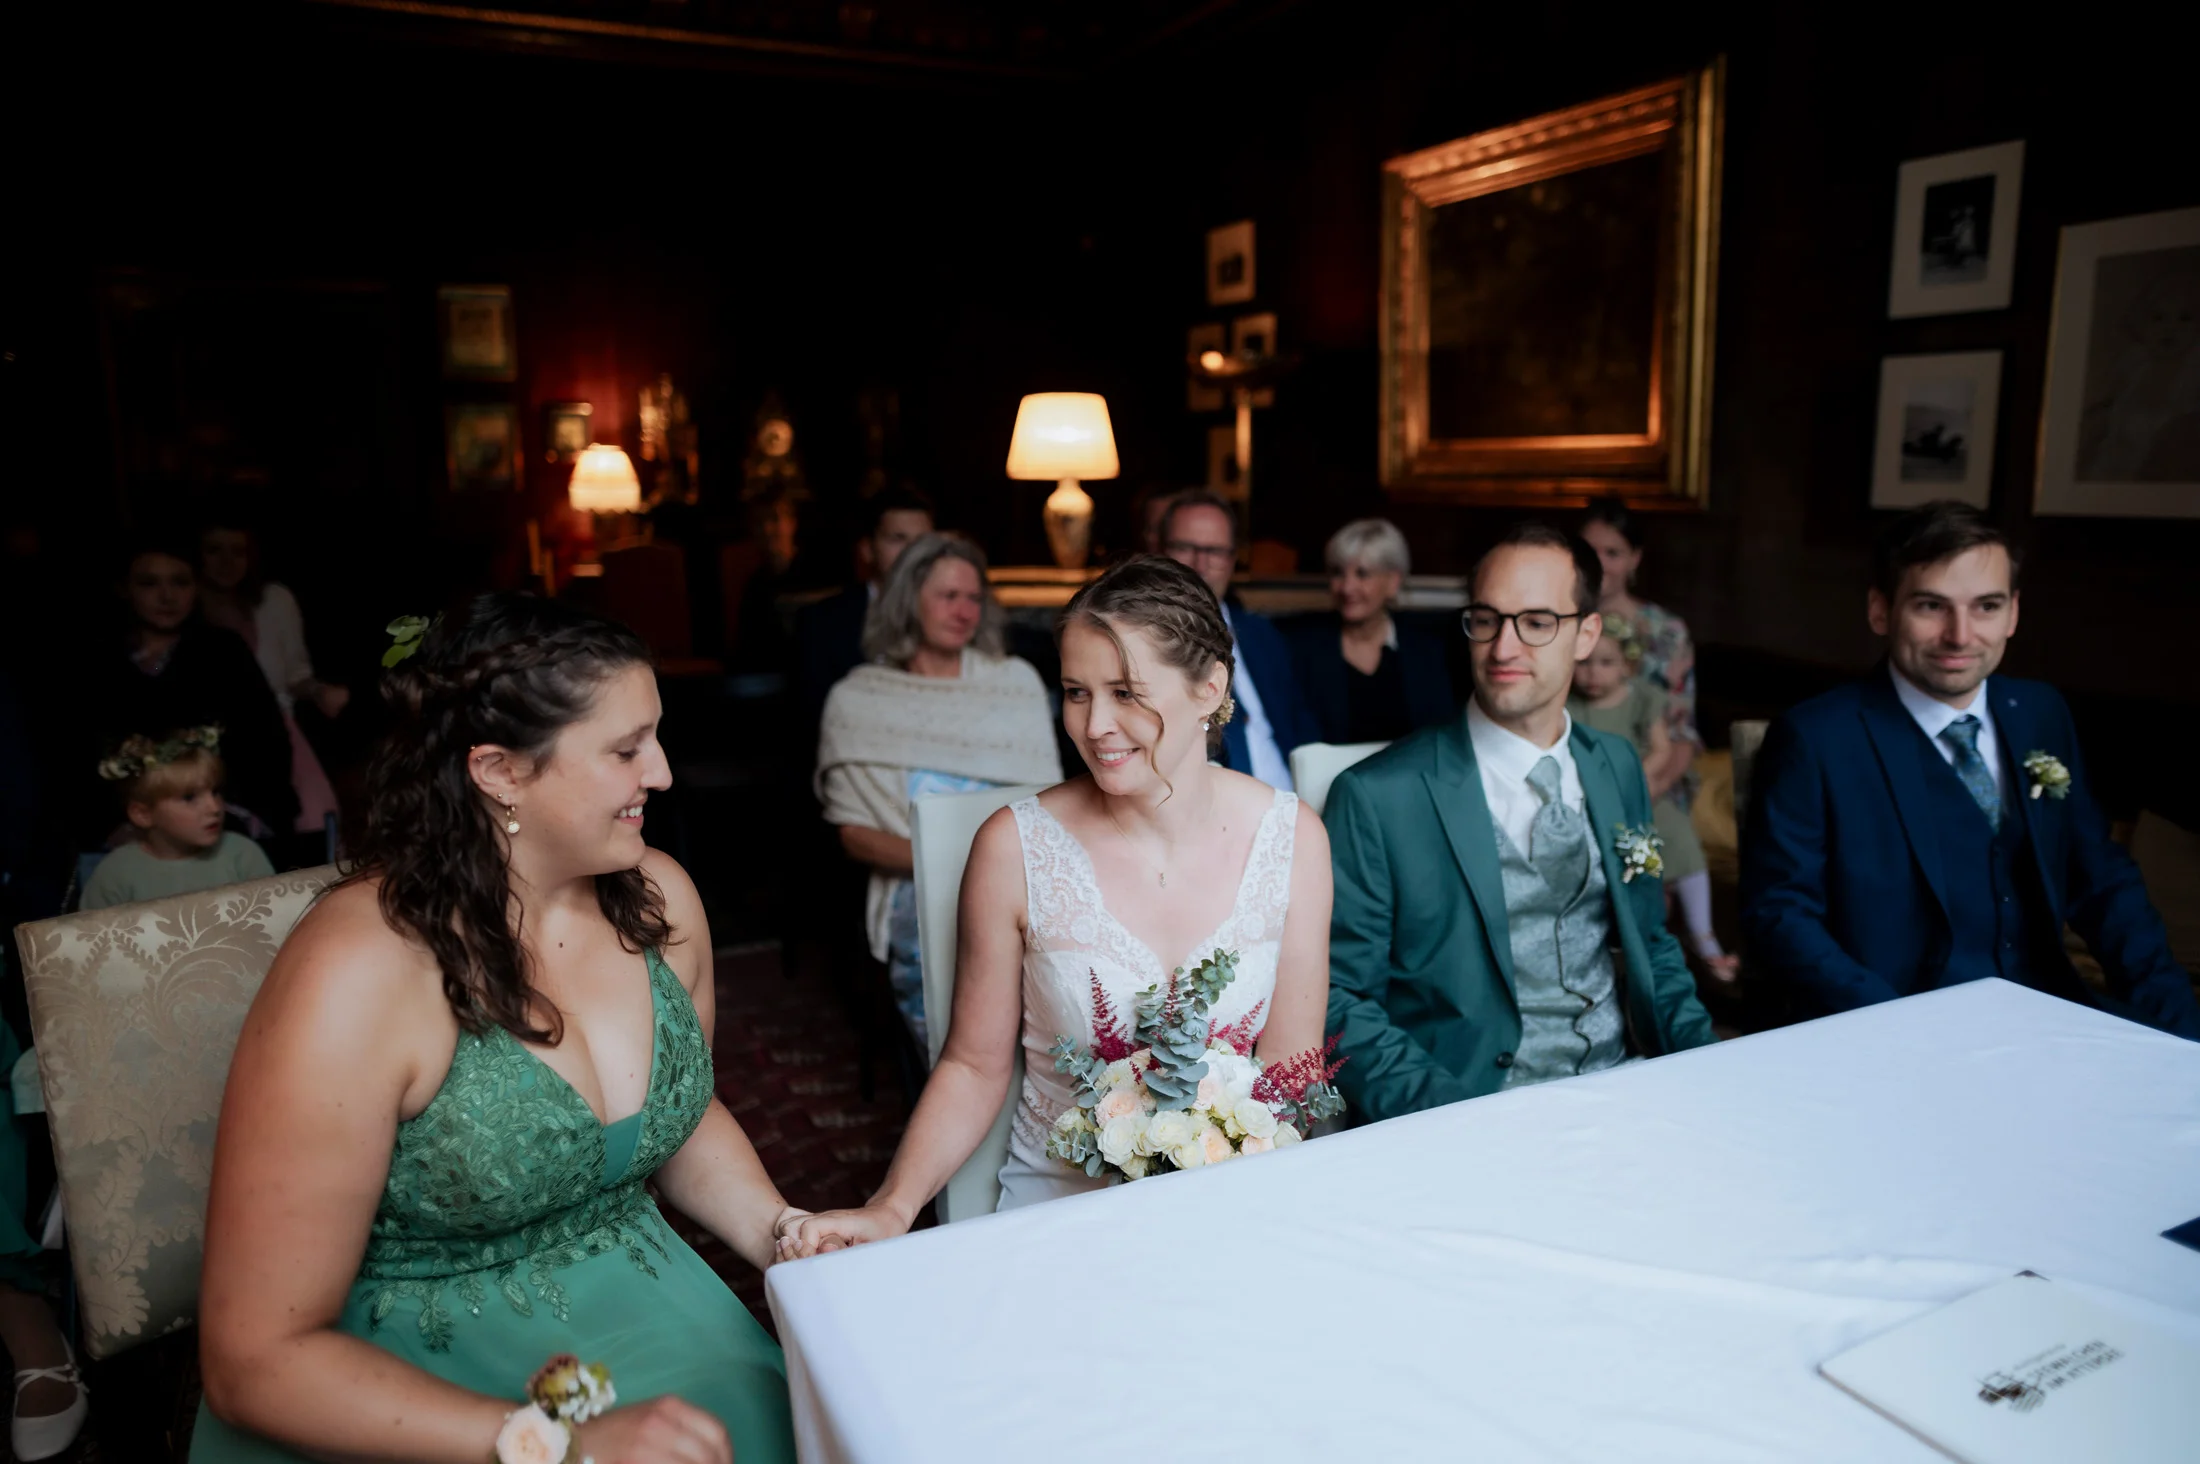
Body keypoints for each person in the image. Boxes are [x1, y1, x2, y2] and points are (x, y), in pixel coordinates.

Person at [191, 594, 799, 1464]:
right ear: (499, 771)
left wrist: (783, 1233)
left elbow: (678, 1113)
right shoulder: (358, 971)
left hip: (640, 1307)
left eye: (655, 738)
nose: (662, 773)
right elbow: (253, 1362)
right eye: (626, 749)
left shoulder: (659, 897)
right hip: (412, 1380)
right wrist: (552, 1443)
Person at [782, 555, 1334, 1250]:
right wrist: (892, 1208)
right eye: (1076, 692)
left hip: (1232, 1211)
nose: (1095, 725)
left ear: (1209, 688)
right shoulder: (1013, 849)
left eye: (1126, 692)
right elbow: (972, 1066)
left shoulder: (1292, 839)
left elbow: (1290, 1072)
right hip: (1061, 1220)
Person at [1742, 501, 2200, 1039]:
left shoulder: (2040, 712)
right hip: (1895, 1026)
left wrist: (2179, 1027)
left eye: (1986, 606)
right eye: (1931, 606)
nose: (1960, 636)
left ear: (2013, 613)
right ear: (1880, 611)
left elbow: (2102, 882)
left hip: (2047, 1012)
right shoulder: (1816, 737)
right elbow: (1781, 914)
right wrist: (1898, 1027)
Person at [1324, 523, 1717, 1123]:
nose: (1503, 648)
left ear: (1587, 634)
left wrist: (1707, 1062)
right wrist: (1457, 1119)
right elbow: (1340, 1001)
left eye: (1536, 622)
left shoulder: (1616, 766)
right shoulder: (1377, 797)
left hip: (1624, 1088)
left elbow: (1652, 944)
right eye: (1486, 620)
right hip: (1465, 1111)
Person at [814, 534, 1061, 1048]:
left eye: (974, 598)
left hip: (1024, 877)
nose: (965, 611)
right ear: (909, 599)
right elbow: (853, 836)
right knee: (947, 953)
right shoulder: (859, 699)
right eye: (948, 596)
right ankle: (964, 1075)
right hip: (916, 884)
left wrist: (999, 876)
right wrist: (959, 870)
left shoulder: (1014, 684)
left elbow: (1051, 808)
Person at [80, 536, 296, 850]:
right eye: (149, 583)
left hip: (221, 827)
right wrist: (113, 825)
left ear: (196, 588)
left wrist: (224, 813)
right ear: (124, 588)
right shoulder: (97, 660)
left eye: (180, 583)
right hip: (123, 832)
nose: (167, 596)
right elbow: (77, 753)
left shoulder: (224, 652)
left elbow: (265, 742)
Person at [1567, 621, 1735, 982]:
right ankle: (1636, 944)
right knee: (1622, 860)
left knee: (1678, 838)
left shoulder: (1642, 697)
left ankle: (1703, 936)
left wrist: (1636, 779)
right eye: (1584, 663)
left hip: (1642, 793)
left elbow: (1662, 749)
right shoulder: (1570, 705)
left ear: (1627, 666)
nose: (1593, 673)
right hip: (1592, 799)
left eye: (1606, 663)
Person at [198, 518, 348, 841]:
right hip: (209, 737)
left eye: (238, 551)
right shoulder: (186, 605)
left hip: (273, 730)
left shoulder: (274, 600)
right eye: (214, 550)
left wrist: (319, 691)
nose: (227, 562)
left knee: (313, 818)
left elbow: (296, 674)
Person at [1160, 491, 1318, 790]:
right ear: (1160, 552)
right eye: (1185, 547)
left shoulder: (1262, 634)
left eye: (1215, 551)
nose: (1200, 564)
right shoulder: (1143, 640)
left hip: (1292, 796)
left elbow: (1301, 726)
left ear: (1232, 559)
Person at [1579, 499, 1701, 842]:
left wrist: (1648, 791)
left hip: (1652, 783)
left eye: (1613, 553)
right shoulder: (1558, 623)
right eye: (1589, 552)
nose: (1599, 564)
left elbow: (1682, 734)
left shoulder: (1667, 632)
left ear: (1635, 559)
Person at [1290, 518, 1455, 745]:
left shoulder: (1426, 651)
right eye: (1338, 573)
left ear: (1393, 582)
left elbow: (1441, 733)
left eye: (1362, 574)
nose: (1347, 587)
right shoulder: (1303, 649)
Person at [80, 728, 274, 910]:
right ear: (143, 814)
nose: (215, 808)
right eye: (189, 798)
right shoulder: (115, 874)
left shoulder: (242, 855)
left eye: (215, 792)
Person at [793, 487, 935, 725]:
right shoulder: (822, 623)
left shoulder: (957, 615)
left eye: (922, 542)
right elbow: (813, 719)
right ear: (867, 550)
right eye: (898, 539)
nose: (913, 553)